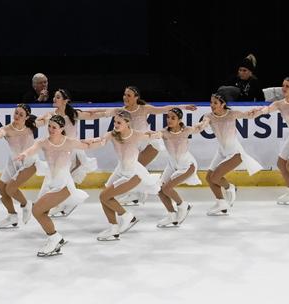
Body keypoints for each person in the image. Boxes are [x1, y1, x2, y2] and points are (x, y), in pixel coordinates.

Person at [14, 116, 100, 257]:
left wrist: (101, 140)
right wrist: (24, 154)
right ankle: (53, 238)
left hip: (64, 185)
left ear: (61, 129)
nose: (51, 129)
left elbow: (87, 145)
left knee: (37, 210)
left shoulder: (69, 142)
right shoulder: (43, 142)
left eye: (54, 127)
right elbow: (33, 148)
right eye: (49, 126)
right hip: (51, 184)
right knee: (42, 212)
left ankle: (55, 238)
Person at [38, 88, 119, 216]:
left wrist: (108, 113)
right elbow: (38, 122)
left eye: (58, 97)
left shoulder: (73, 114)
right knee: (58, 179)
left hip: (71, 152)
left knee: (56, 179)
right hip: (57, 152)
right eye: (54, 96)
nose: (54, 99)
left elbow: (92, 114)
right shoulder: (51, 115)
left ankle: (52, 204)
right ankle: (60, 203)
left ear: (66, 101)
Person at [95, 110, 161, 241]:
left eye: (119, 122)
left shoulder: (136, 135)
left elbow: (152, 136)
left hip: (132, 174)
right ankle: (114, 227)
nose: (116, 124)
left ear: (127, 123)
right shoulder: (112, 135)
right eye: (114, 122)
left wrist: (160, 134)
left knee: (104, 196)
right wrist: (90, 143)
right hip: (120, 170)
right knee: (105, 196)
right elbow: (100, 141)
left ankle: (126, 216)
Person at [202, 93, 263, 216]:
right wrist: (200, 126)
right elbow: (204, 123)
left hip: (235, 152)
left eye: (215, 103)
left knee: (215, 177)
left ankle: (230, 187)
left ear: (223, 104)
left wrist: (256, 112)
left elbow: (248, 116)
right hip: (222, 151)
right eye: (211, 102)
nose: (212, 105)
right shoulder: (208, 116)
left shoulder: (232, 114)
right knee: (209, 178)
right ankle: (221, 204)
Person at [0, 104, 43, 229]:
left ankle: (26, 204)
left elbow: (47, 120)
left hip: (30, 162)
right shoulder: (7, 129)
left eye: (21, 114)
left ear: (27, 117)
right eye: (16, 112)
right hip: (13, 162)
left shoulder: (31, 126)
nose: (17, 116)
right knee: (2, 189)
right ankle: (12, 216)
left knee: (10, 189)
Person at [156, 108, 210, 227]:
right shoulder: (164, 132)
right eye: (168, 117)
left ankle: (183, 205)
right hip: (172, 165)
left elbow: (199, 127)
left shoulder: (186, 130)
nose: (169, 120)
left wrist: (207, 118)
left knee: (167, 189)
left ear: (179, 120)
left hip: (187, 165)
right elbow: (154, 135)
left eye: (173, 118)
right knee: (159, 190)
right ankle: (172, 216)